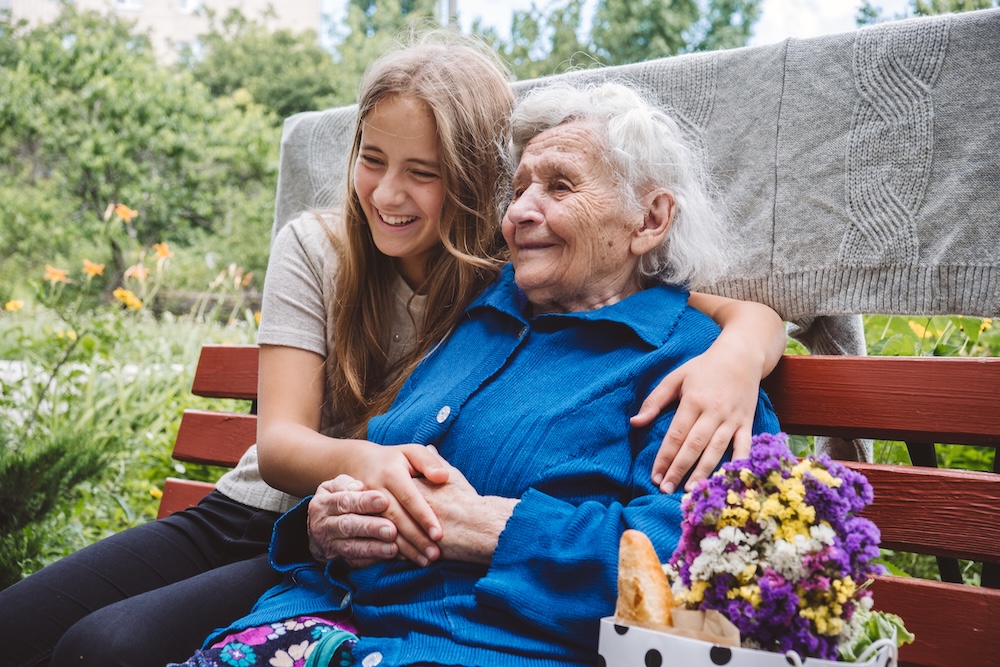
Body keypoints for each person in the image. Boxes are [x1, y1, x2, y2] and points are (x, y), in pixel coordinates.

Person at [0, 33, 783, 667]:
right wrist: (333, 512)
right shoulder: (490, 307)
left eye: (560, 187)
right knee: (83, 642)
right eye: (522, 188)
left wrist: (480, 523)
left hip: (451, 639)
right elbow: (341, 463)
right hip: (318, 591)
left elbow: (689, 574)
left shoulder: (682, 365)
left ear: (649, 221)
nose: (524, 214)